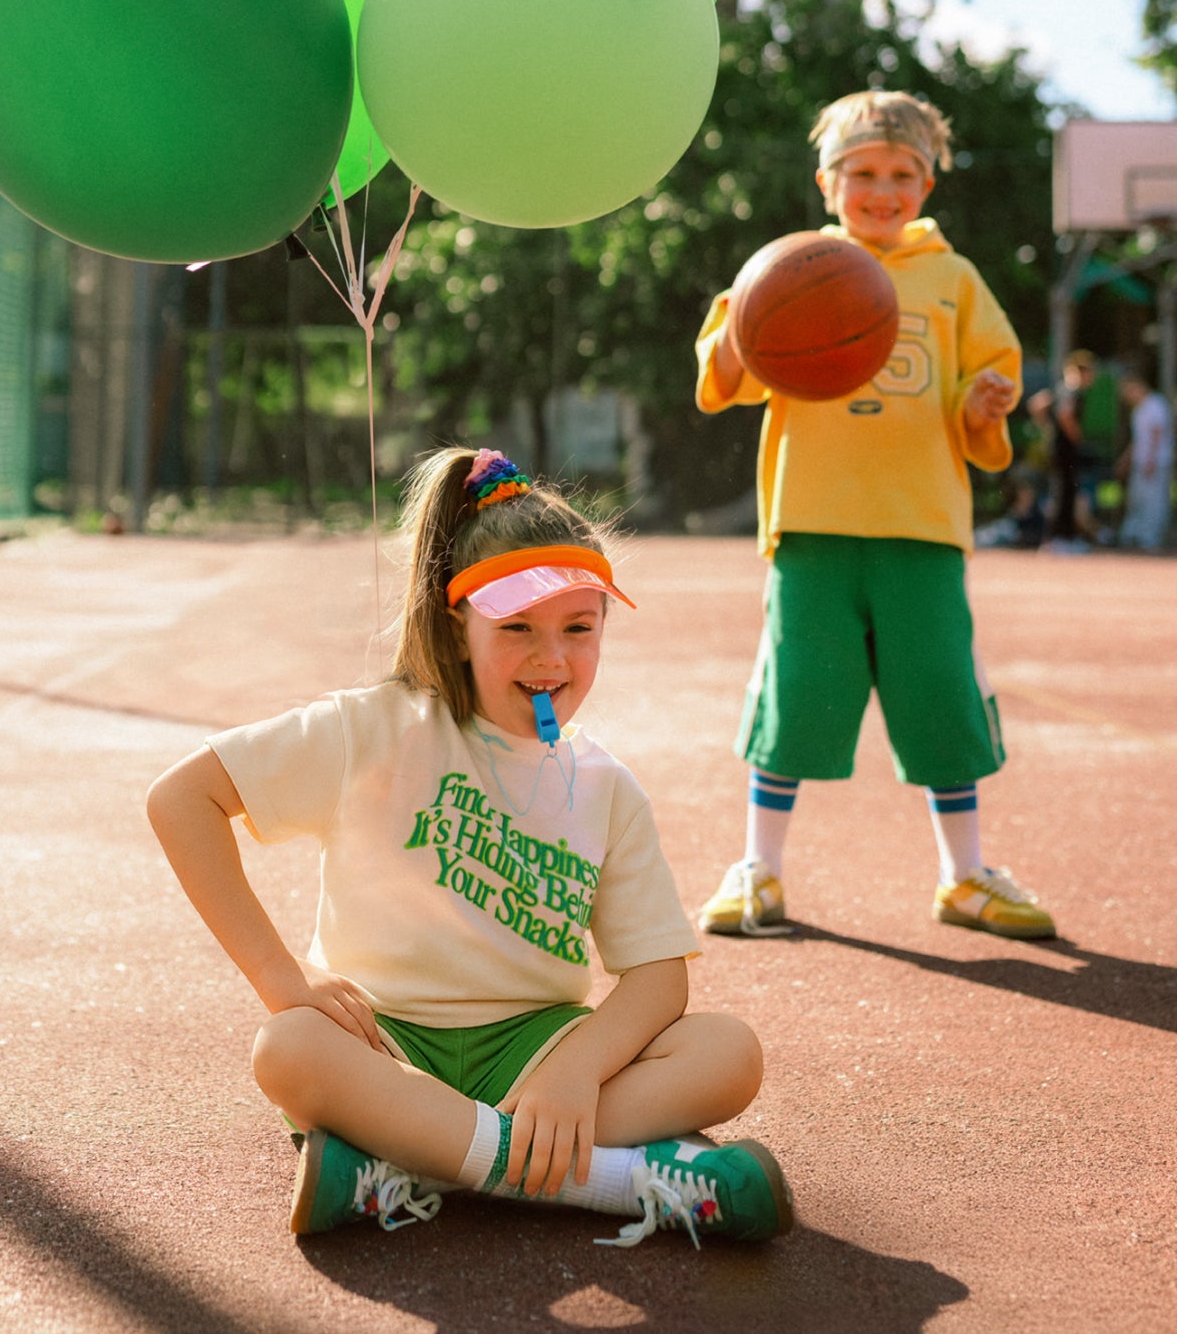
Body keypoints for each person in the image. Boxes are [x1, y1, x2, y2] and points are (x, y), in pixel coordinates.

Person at [147, 448, 792, 1248]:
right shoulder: (375, 727)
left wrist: (577, 1069)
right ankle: (616, 1179)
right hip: (384, 1049)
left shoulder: (605, 786)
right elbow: (182, 799)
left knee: (727, 1053)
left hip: (536, 1047)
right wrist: (285, 978)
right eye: (516, 627)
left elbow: (658, 977)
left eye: (578, 628)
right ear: (459, 628)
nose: (550, 657)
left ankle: (409, 1165)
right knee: (288, 1046)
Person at [693, 91, 1056, 942]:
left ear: (928, 182)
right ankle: (760, 867)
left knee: (940, 699)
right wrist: (743, 335)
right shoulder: (787, 269)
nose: (882, 189)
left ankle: (964, 874)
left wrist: (988, 401)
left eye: (902, 173)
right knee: (793, 697)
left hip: (922, 529)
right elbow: (720, 375)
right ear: (828, 182)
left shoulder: (955, 280)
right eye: (863, 173)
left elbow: (981, 396)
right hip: (812, 527)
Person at [1045, 350, 1102, 549]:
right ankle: (1062, 538)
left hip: (1057, 448)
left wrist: (1048, 430)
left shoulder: (1061, 388)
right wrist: (1077, 439)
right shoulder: (1072, 390)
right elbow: (1065, 414)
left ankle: (1058, 537)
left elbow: (1037, 405)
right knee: (1066, 493)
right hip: (1066, 450)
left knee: (1062, 491)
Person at [1117, 368, 1174, 551]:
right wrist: (1126, 460)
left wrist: (1151, 459)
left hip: (1155, 462)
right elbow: (1139, 440)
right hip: (1142, 462)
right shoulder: (1140, 409)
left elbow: (1157, 434)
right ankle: (1136, 536)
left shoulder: (1155, 404)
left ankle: (1151, 539)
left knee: (1154, 501)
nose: (1127, 396)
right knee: (1138, 499)